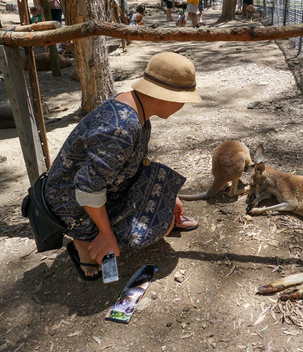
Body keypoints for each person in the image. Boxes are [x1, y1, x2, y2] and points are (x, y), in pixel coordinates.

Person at [44, 52, 201, 280]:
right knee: (157, 228)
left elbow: (128, 163)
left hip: (103, 184)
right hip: (72, 201)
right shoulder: (122, 129)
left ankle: (99, 230)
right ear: (167, 98)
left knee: (164, 195)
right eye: (183, 99)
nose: (183, 105)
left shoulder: (133, 104)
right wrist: (107, 234)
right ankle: (84, 237)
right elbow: (88, 189)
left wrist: (168, 197)